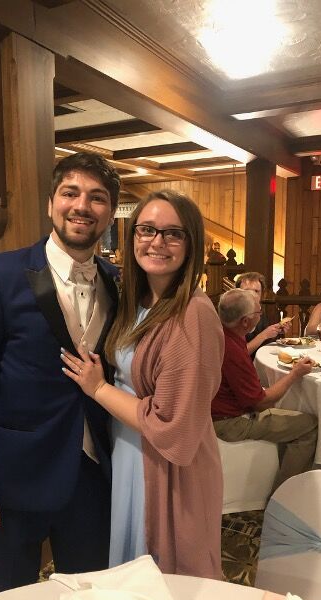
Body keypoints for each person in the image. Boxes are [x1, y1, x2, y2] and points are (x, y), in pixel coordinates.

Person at [0, 152, 121, 593]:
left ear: (111, 213)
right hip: (11, 483)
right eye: (70, 193)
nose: (82, 205)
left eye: (97, 198)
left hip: (92, 477)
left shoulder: (118, 281)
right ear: (51, 204)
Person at [61, 190, 224, 579]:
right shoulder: (138, 300)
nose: (157, 242)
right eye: (147, 229)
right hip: (131, 453)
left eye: (173, 233)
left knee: (167, 581)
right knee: (132, 575)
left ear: (191, 243)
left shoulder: (193, 315)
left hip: (168, 469)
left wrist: (98, 389)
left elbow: (175, 427)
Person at [212, 289, 318, 488]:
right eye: (258, 313)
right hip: (228, 422)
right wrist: (295, 374)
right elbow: (261, 403)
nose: (260, 316)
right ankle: (283, 496)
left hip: (218, 412)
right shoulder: (232, 350)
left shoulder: (221, 333)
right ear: (245, 321)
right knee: (309, 425)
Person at [235, 271, 291, 357]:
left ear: (262, 295)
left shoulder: (264, 311)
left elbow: (266, 342)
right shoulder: (233, 317)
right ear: (237, 293)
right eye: (247, 291)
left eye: (256, 291)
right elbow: (237, 355)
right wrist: (264, 335)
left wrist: (278, 331)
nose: (252, 295)